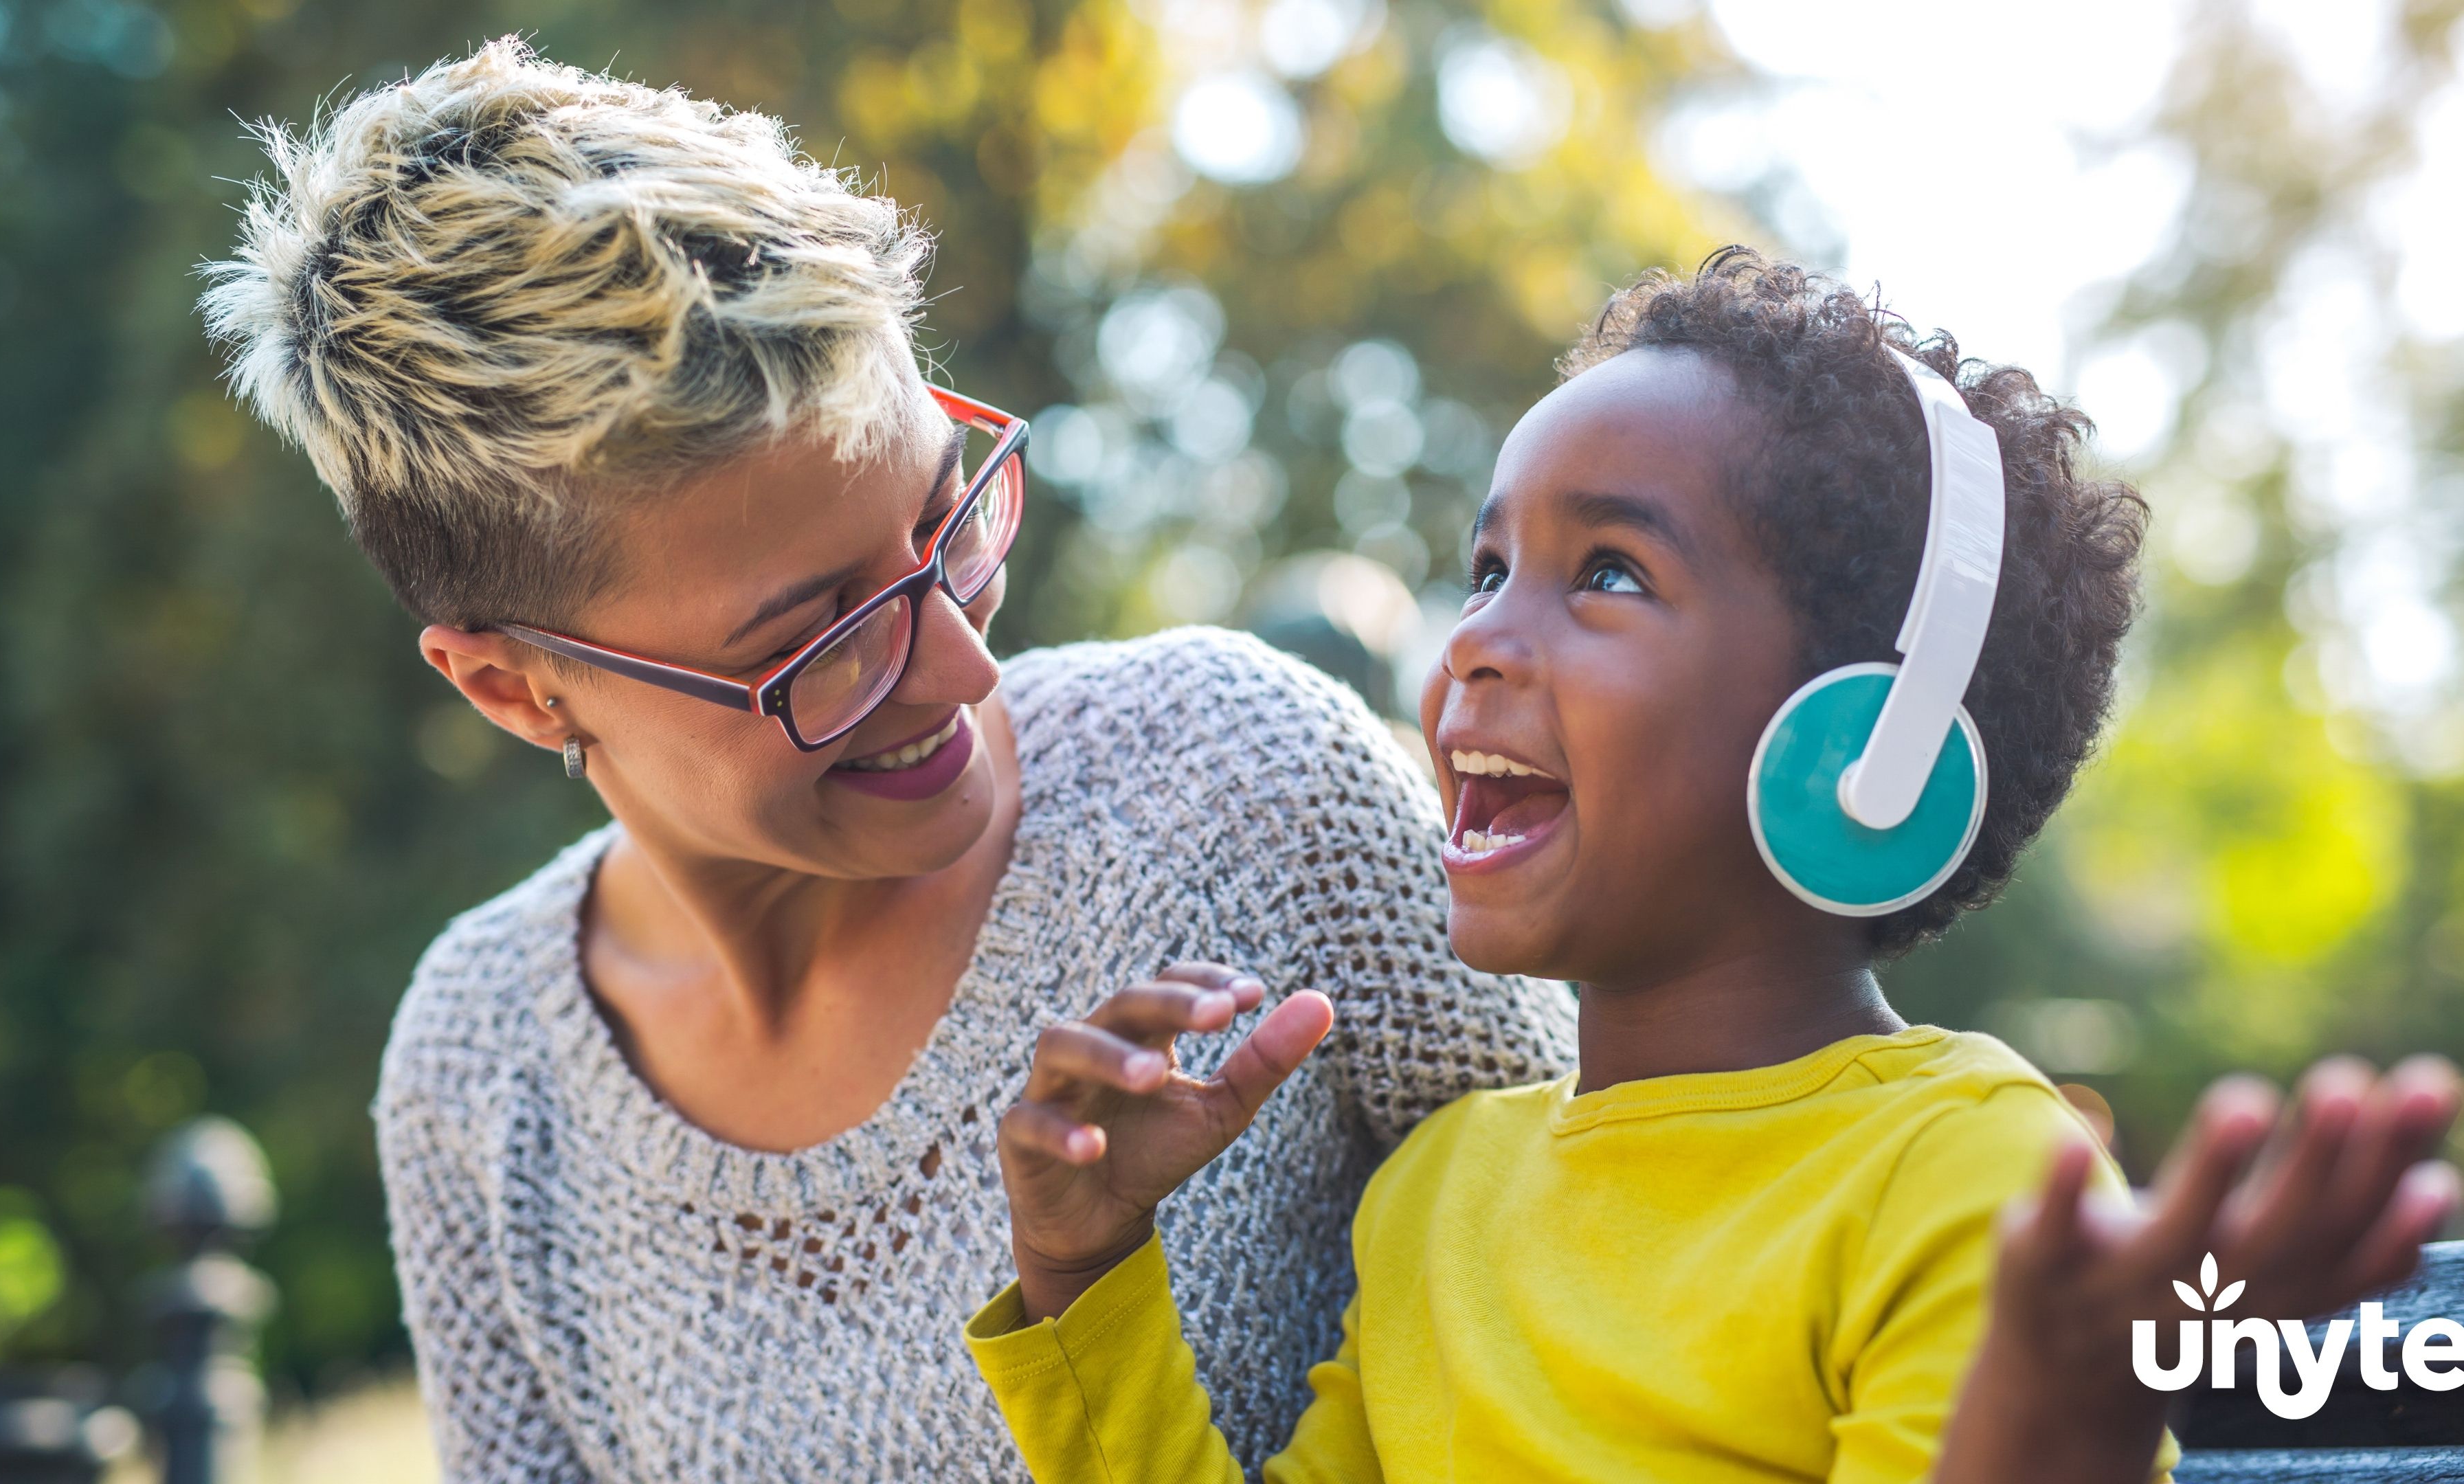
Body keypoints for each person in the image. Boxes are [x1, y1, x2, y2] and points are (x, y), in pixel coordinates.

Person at [198, 40, 1578, 1481]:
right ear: (514, 688)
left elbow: (1663, 1261)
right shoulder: (483, 1072)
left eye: (947, 523)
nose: (963, 669)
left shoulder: (1248, 787)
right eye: (819, 641)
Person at [963, 252, 2464, 1482]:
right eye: (1488, 570)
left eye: (1608, 572)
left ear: (1864, 750)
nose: (1476, 638)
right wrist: (1084, 1268)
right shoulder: (1440, 1197)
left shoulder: (1962, 1176)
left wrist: (2054, 1417)